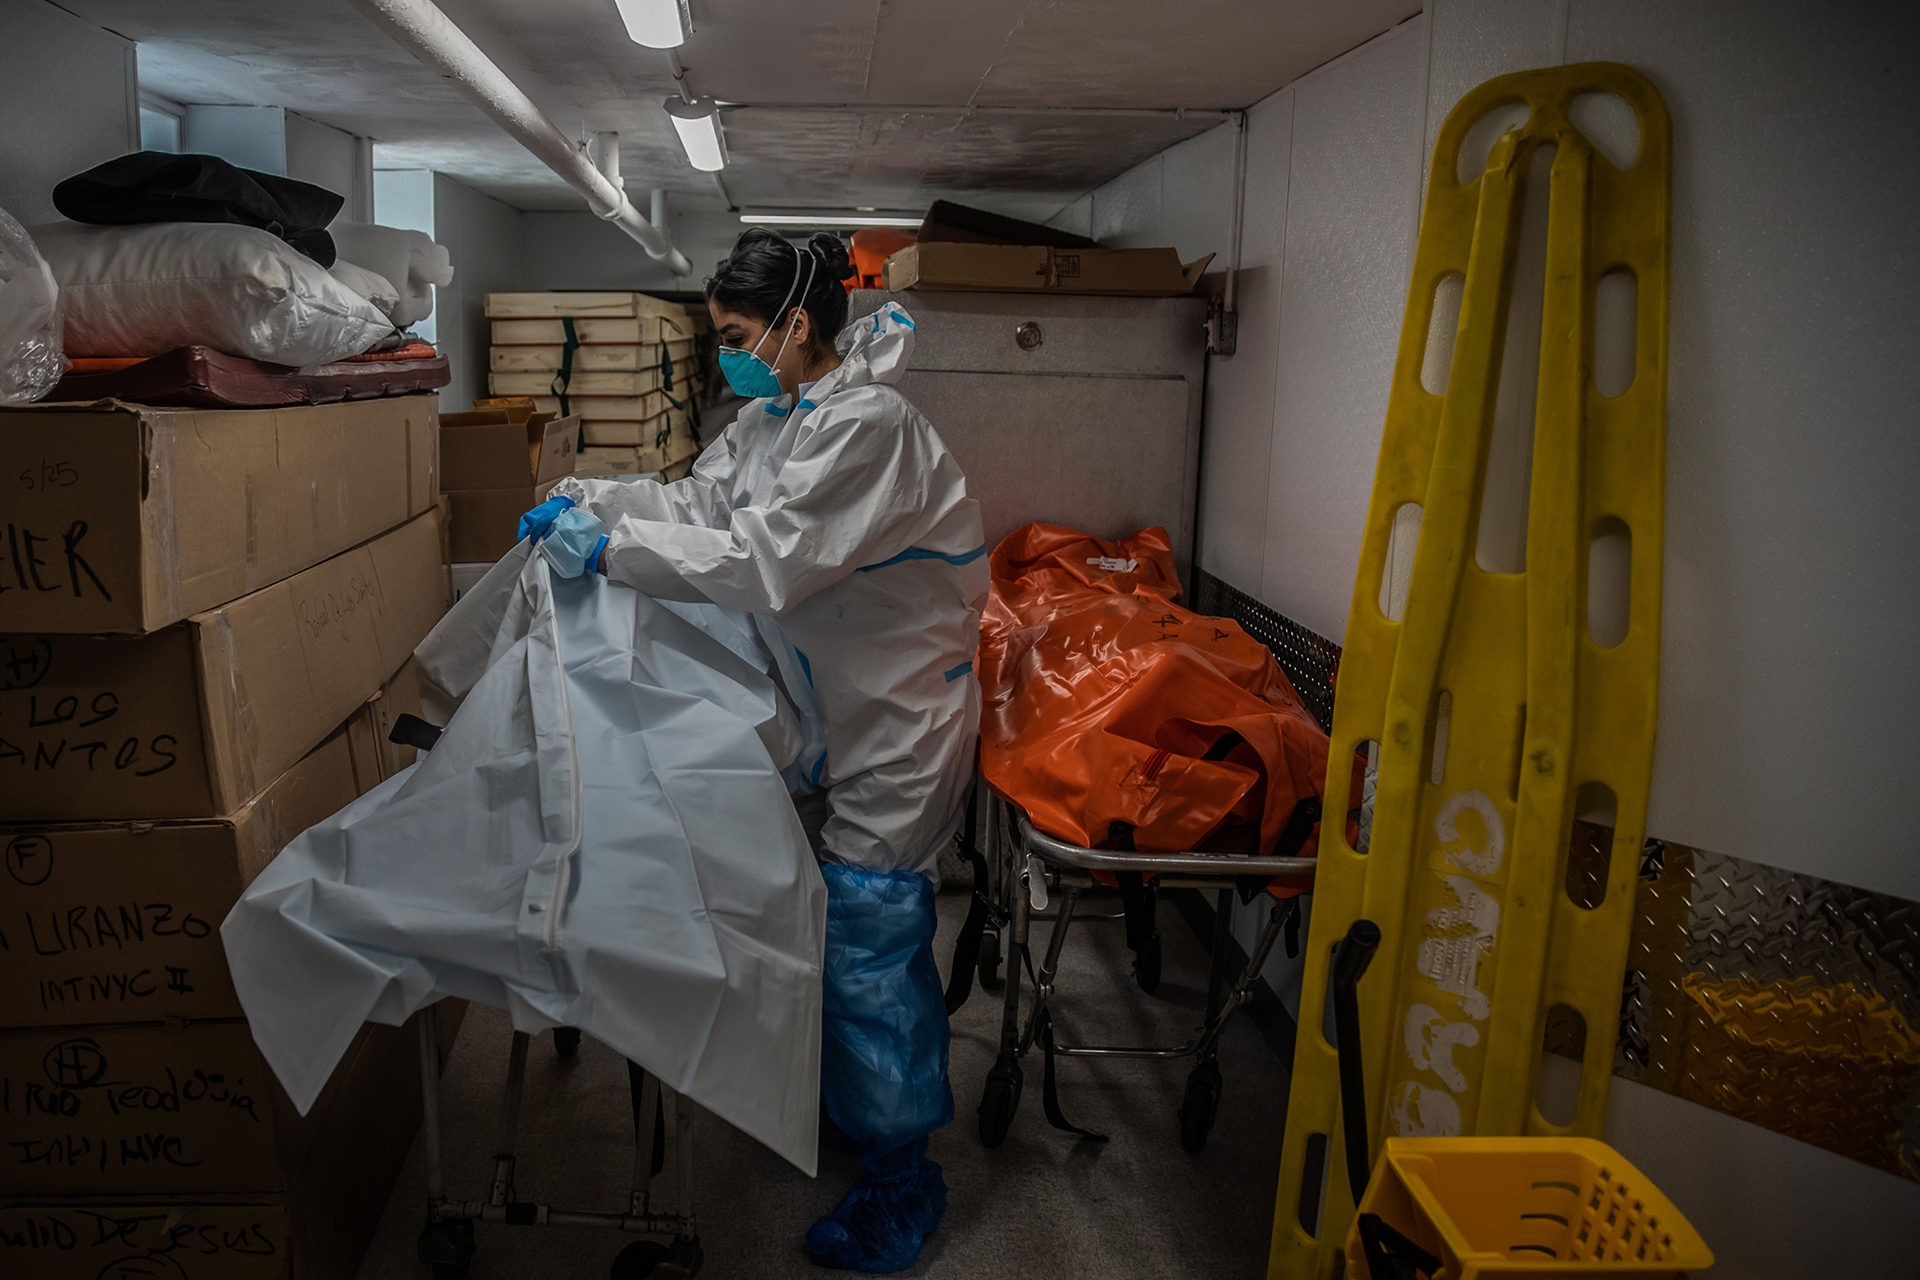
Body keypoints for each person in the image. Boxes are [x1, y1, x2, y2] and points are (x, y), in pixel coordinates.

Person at [519, 229, 985, 1273]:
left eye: (734, 335)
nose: (722, 355)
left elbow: (764, 558)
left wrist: (611, 550)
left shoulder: (869, 429)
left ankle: (904, 1173)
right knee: (802, 909)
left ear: (797, 325)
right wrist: (594, 498)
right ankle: (834, 1099)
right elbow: (699, 504)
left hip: (898, 722)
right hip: (822, 705)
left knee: (868, 939)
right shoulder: (771, 420)